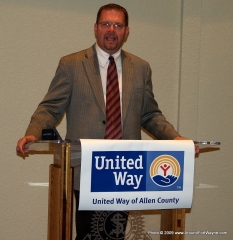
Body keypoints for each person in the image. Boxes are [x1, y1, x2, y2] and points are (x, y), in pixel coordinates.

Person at [16, 3, 198, 239]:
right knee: (89, 234)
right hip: (86, 169)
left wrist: (176, 138)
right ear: (95, 28)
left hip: (125, 170)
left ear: (126, 31)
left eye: (118, 25)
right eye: (106, 24)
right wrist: (33, 132)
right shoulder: (71, 64)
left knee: (114, 233)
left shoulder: (141, 68)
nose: (111, 29)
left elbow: (150, 114)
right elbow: (50, 108)